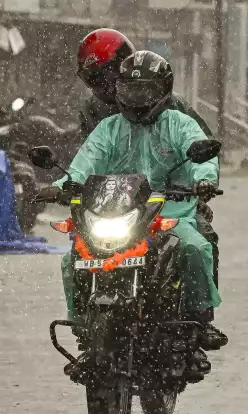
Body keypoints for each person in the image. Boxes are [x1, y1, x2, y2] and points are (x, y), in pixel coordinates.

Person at [39, 51, 228, 373]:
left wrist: (205, 180)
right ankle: (86, 331)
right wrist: (61, 185)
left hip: (172, 212)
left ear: (163, 90)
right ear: (118, 92)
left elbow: (203, 152)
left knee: (196, 247)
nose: (137, 98)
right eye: (129, 91)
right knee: (73, 260)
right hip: (115, 213)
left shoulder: (180, 124)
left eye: (145, 91)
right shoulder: (108, 129)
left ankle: (198, 323)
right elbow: (83, 165)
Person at [75, 28, 220, 286]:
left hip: (170, 200)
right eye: (94, 80)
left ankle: (197, 313)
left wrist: (200, 183)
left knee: (197, 245)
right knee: (76, 255)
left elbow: (202, 148)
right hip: (114, 204)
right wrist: (68, 185)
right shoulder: (95, 114)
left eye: (105, 76)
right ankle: (83, 318)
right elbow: (88, 157)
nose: (102, 87)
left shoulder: (175, 112)